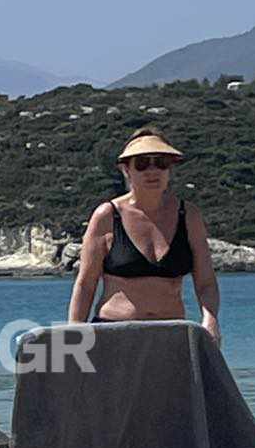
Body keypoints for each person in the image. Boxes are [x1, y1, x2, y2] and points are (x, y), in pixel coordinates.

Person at [68, 130, 221, 341]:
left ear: (169, 169)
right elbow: (86, 284)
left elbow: (206, 282)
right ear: (126, 170)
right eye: (141, 164)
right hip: (114, 333)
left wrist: (211, 320)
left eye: (160, 163)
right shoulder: (107, 216)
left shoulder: (188, 216)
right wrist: (75, 333)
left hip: (172, 335)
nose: (152, 171)